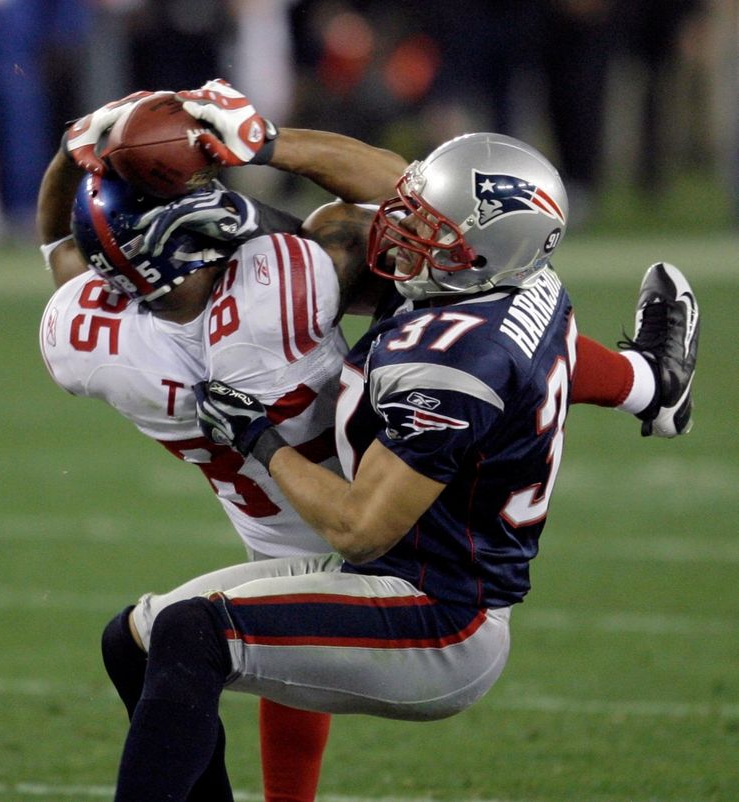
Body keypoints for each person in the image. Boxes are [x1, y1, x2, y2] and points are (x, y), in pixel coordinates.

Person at [39, 83, 699, 799]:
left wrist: (259, 441)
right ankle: (650, 383)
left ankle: (649, 383)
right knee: (136, 640)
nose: (402, 229)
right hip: (394, 557)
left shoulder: (451, 364)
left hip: (438, 614)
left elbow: (357, 528)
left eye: (429, 230)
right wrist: (259, 143)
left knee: (197, 635)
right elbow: (386, 192)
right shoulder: (503, 281)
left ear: (478, 252)